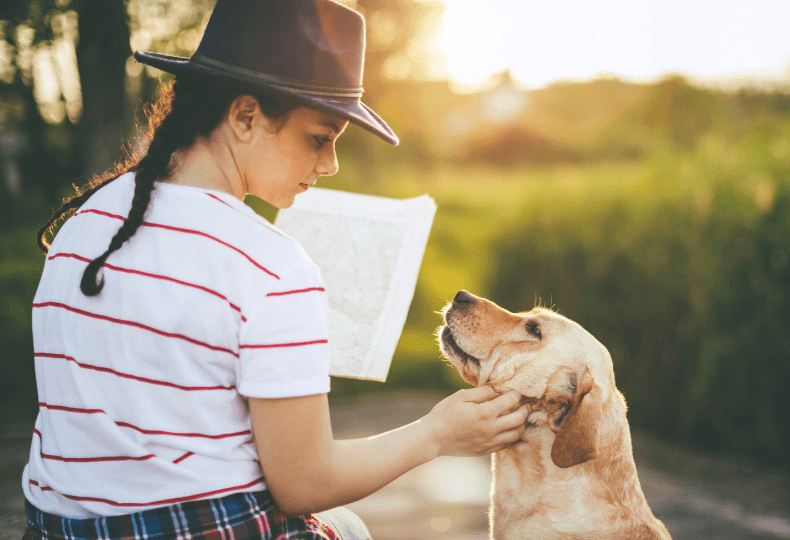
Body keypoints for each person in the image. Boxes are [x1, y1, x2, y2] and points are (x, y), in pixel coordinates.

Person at [22, 1, 530, 539]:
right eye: (320, 137)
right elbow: (304, 485)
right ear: (245, 117)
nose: (331, 163)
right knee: (350, 528)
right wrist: (438, 433)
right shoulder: (270, 265)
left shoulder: (85, 220)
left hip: (56, 530)